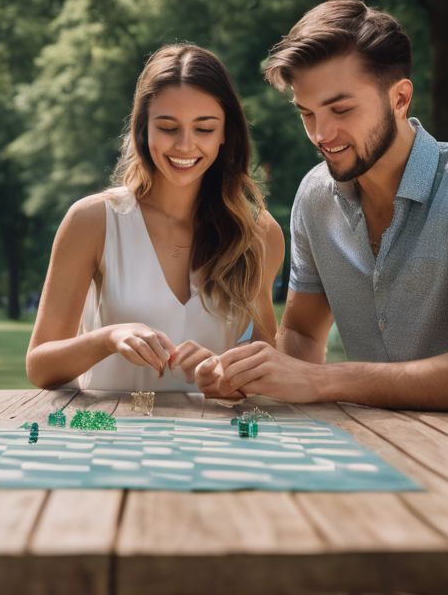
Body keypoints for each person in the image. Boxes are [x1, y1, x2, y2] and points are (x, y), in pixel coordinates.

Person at [206, 0, 448, 407]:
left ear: (399, 98)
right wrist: (254, 377)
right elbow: (303, 336)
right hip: (358, 444)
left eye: (341, 109)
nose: (321, 134)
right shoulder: (314, 197)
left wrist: (324, 381)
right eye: (307, 113)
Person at [26, 44, 285, 392]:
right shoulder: (93, 221)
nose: (184, 145)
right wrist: (108, 338)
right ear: (143, 128)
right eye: (167, 127)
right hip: (110, 439)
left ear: (226, 133)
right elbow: (41, 366)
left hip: (215, 442)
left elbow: (264, 366)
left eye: (204, 129)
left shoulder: (259, 233)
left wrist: (225, 377)